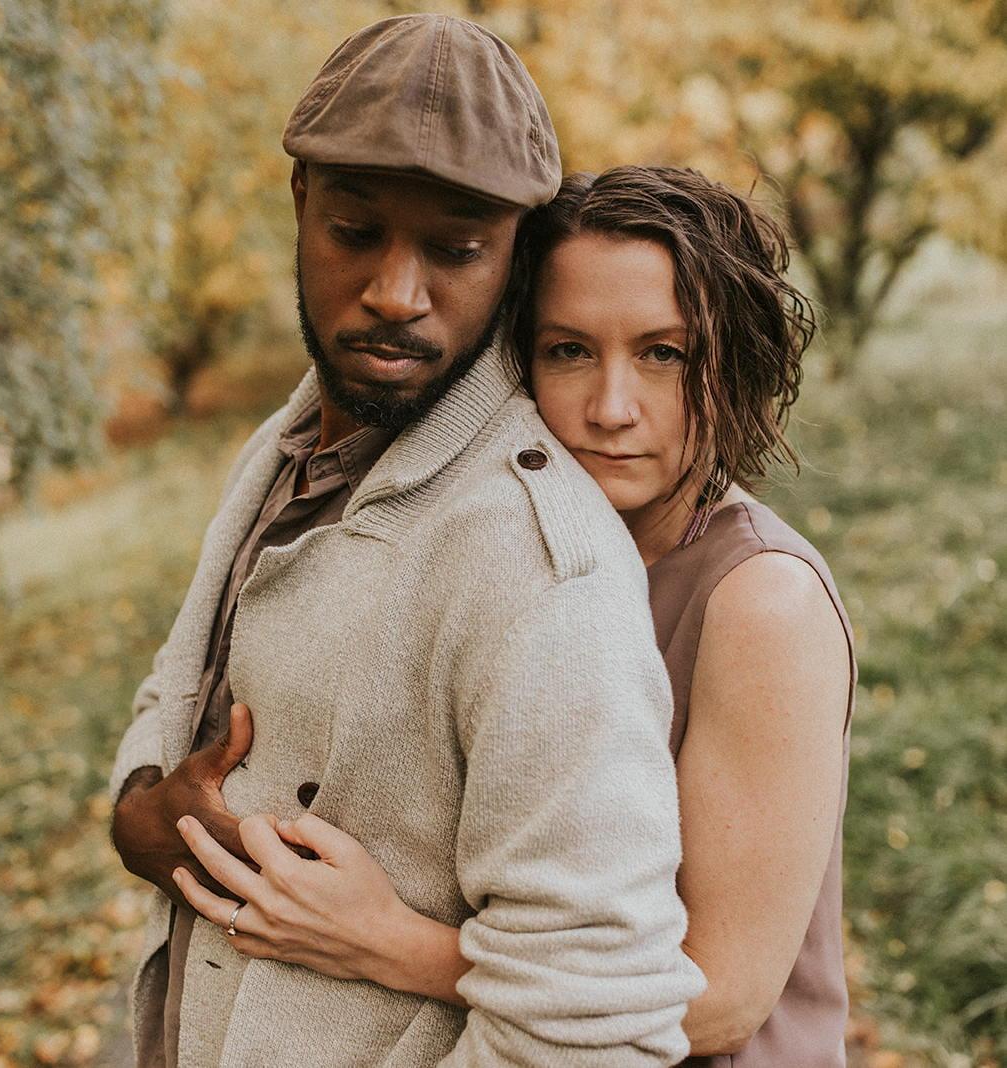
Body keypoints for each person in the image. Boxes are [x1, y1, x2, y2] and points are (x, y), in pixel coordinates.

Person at [109, 17, 704, 1068]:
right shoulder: (289, 440)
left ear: (518, 252)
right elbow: (175, 685)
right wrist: (142, 814)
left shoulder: (534, 569)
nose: (395, 292)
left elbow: (593, 1026)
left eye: (455, 249)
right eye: (355, 231)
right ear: (300, 204)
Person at [171, 167, 857, 1066]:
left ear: (734, 361)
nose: (610, 409)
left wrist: (386, 941)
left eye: (664, 354)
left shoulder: (760, 602)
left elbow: (719, 999)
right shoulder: (513, 556)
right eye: (568, 350)